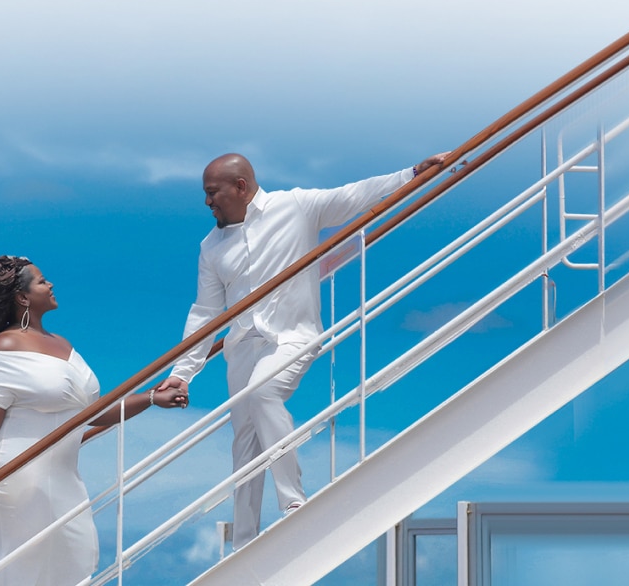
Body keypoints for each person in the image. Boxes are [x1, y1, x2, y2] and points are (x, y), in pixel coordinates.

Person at [157, 152, 448, 550]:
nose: (207, 202)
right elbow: (205, 312)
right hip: (241, 348)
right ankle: (244, 542)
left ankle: (294, 504)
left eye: (212, 192)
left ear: (240, 187)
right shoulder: (210, 246)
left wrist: (414, 173)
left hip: (294, 337)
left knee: (263, 392)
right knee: (245, 445)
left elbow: (354, 196)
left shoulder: (294, 207)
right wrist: (183, 372)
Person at [0, 255, 187, 586]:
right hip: (19, 473)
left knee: (76, 560)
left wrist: (152, 398)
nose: (50, 284)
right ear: (22, 297)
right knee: (28, 570)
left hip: (64, 474)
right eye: (41, 281)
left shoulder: (62, 344)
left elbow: (92, 412)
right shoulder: (6, 345)